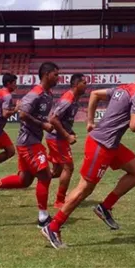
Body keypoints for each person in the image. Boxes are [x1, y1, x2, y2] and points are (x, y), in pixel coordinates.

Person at [42, 62, 135, 249]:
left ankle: (104, 208)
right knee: (84, 189)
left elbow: (95, 94)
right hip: (101, 145)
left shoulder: (124, 87)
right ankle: (53, 226)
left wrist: (90, 121)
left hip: (110, 143)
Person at [0, 62, 59, 227]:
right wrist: (43, 125)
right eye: (56, 74)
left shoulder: (48, 93)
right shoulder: (35, 93)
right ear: (47, 74)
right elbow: (22, 114)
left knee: (24, 180)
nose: (58, 77)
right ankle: (43, 218)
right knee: (45, 176)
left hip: (30, 140)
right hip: (29, 142)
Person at [46, 73, 87, 209]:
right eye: (84, 83)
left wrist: (70, 131)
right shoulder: (68, 99)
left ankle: (35, 173)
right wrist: (66, 135)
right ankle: (59, 201)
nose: (86, 86)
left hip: (57, 137)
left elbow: (63, 120)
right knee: (68, 167)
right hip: (56, 138)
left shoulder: (74, 99)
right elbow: (53, 119)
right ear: (76, 84)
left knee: (57, 172)